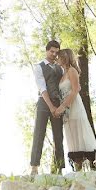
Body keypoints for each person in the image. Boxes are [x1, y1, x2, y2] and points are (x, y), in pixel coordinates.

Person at [54, 48, 96, 172]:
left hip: (74, 105)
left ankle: (88, 167)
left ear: (65, 57)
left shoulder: (72, 71)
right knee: (71, 134)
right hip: (66, 109)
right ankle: (77, 168)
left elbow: (75, 89)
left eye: (59, 56)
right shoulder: (63, 74)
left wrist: (63, 106)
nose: (57, 59)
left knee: (79, 132)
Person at [29, 40, 65, 175]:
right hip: (44, 103)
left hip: (58, 103)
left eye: (56, 52)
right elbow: (42, 88)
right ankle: (34, 167)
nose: (54, 54)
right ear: (47, 50)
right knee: (39, 134)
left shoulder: (60, 68)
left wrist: (59, 106)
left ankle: (59, 168)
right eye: (52, 51)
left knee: (58, 136)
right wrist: (51, 106)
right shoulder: (39, 67)